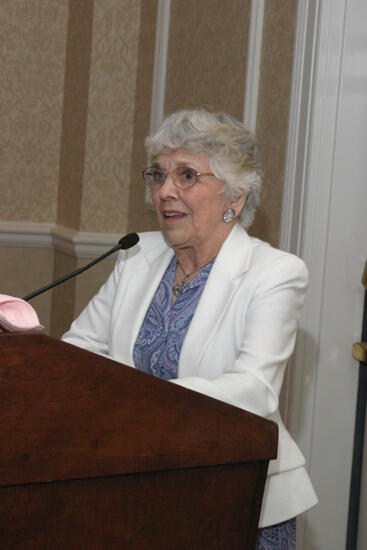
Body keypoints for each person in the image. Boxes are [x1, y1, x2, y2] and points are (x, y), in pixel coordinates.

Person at [62, 109, 317, 549]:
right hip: (133, 485)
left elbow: (254, 390)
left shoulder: (275, 273)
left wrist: (140, 405)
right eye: (158, 175)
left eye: (186, 176)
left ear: (234, 198)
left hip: (234, 494)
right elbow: (78, 349)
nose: (164, 192)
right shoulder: (137, 255)